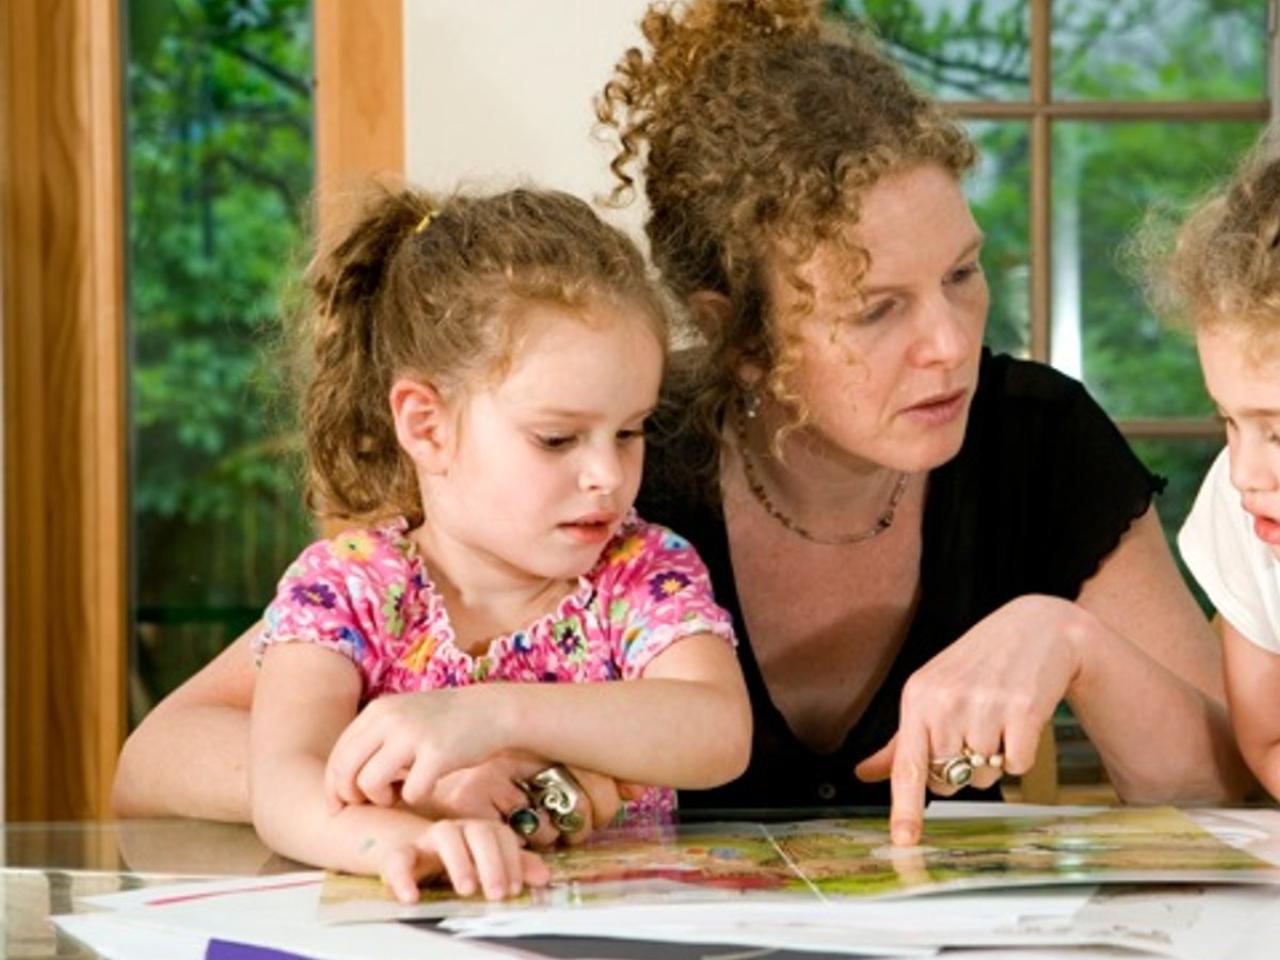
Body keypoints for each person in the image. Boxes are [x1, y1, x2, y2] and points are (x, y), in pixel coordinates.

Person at [114, 0, 1250, 847]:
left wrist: (1074, 643)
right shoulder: (603, 471)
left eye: (960, 274)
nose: (949, 341)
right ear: (735, 331)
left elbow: (1225, 788)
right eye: (875, 309)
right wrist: (415, 777)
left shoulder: (1033, 438)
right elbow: (164, 752)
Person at [240, 184, 751, 902]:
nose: (607, 475)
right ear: (426, 426)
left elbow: (717, 728)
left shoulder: (641, 571)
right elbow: (287, 776)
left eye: (630, 431)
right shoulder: (346, 589)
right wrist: (406, 839)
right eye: (557, 438)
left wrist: (489, 714)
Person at [1144, 139, 1280, 800]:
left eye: (1278, 431)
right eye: (1228, 420)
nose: (1245, 472)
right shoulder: (1246, 516)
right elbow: (1268, 742)